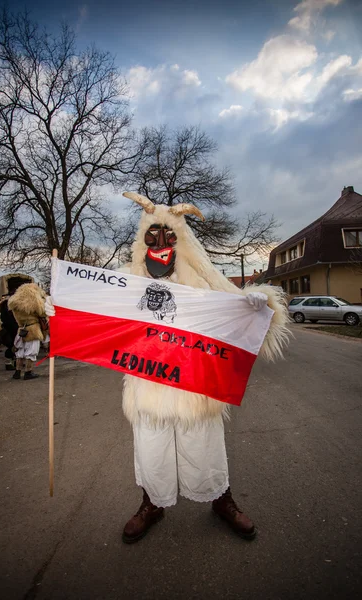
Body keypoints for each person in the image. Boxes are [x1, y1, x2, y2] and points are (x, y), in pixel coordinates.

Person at [45, 192, 289, 543]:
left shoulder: (200, 278)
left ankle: (221, 499)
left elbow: (232, 304)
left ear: (182, 239)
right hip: (148, 382)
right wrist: (64, 311)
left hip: (195, 383)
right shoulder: (127, 277)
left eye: (169, 235)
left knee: (204, 445)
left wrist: (256, 306)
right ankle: (152, 503)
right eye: (153, 234)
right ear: (142, 238)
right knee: (152, 447)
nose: (161, 242)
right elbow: (97, 304)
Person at [8, 283, 47, 380]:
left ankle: (17, 371)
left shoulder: (14, 301)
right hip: (33, 329)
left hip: (21, 328)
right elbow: (42, 313)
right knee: (31, 351)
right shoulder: (33, 302)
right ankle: (28, 372)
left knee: (20, 351)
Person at [0, 293, 19, 371]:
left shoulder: (5, 304)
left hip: (10, 328)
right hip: (10, 328)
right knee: (12, 346)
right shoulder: (7, 305)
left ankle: (14, 362)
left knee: (14, 345)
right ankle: (9, 363)